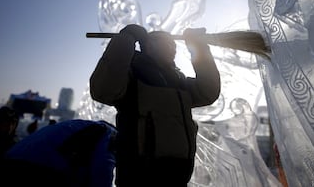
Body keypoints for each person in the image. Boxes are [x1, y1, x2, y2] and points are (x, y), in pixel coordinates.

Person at [89, 24, 221, 187]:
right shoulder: (132, 76)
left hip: (179, 176)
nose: (173, 48)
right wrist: (125, 39)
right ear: (149, 45)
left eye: (174, 44)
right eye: (167, 43)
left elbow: (209, 90)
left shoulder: (180, 82)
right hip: (139, 177)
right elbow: (103, 90)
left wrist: (198, 47)